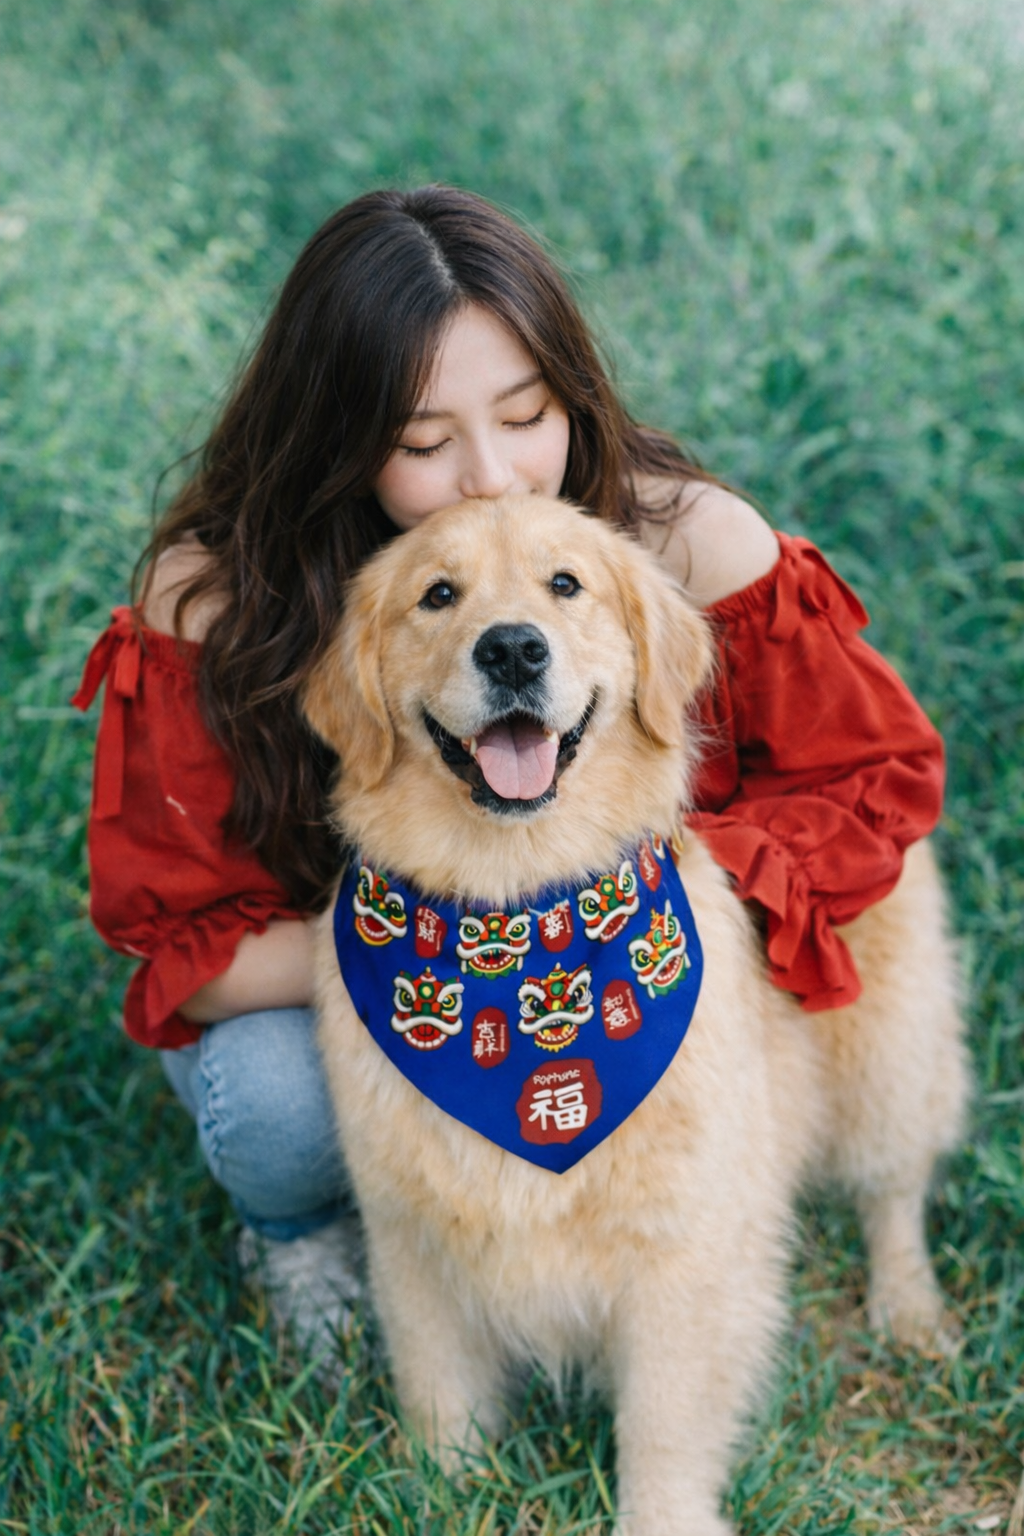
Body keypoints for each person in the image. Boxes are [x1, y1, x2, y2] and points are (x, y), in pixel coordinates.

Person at [73, 185, 944, 1361]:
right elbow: (176, 938)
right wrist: (454, 942)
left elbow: (868, 780)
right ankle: (300, 1233)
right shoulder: (223, 597)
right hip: (360, 979)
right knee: (281, 1106)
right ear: (335, 438)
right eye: (423, 444)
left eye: (526, 416)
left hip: (639, 954)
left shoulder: (684, 543)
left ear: (572, 395)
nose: (492, 475)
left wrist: (632, 905)